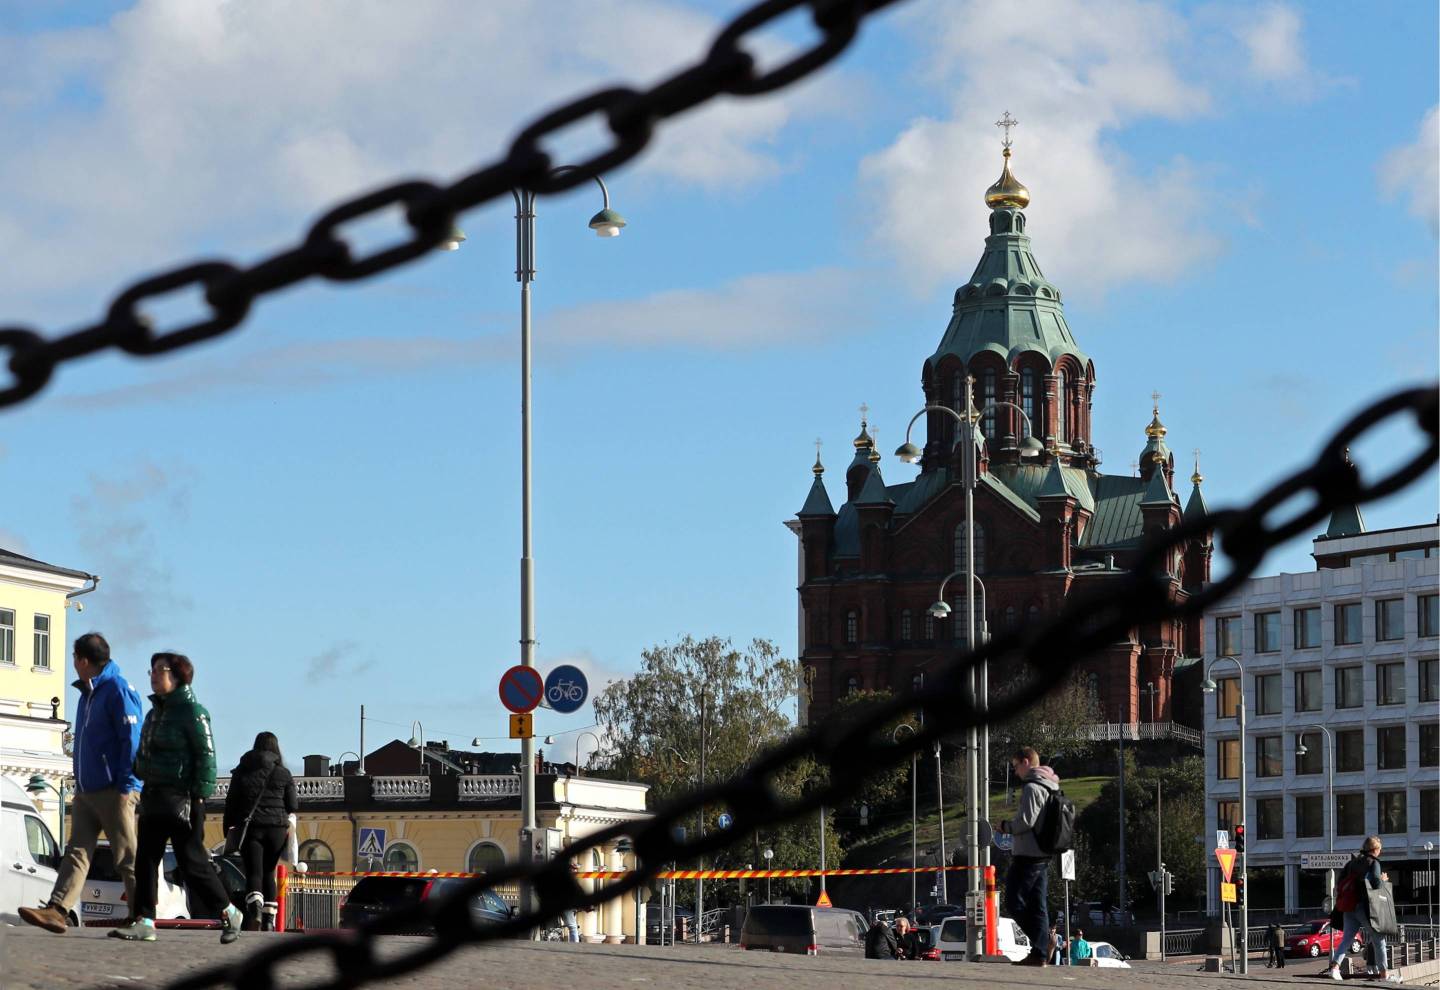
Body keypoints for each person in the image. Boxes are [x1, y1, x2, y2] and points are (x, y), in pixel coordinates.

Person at [112, 653, 242, 943]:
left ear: (179, 675)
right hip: (154, 796)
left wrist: (199, 796)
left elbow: (206, 755)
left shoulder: (193, 711)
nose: (154, 675)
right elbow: (144, 753)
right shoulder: (154, 714)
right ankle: (145, 920)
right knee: (146, 860)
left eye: (161, 669)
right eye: (152, 670)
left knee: (192, 862)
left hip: (184, 799)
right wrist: (137, 766)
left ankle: (229, 911)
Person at [19, 634, 145, 934]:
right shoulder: (88, 693)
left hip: (116, 789)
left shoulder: (117, 689)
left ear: (83, 660)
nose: (73, 665)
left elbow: (133, 740)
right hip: (87, 790)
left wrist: (128, 784)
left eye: (74, 658)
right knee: (77, 851)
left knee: (125, 855)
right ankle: (58, 909)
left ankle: (142, 916)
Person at [224, 732, 298, 931]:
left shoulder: (242, 770)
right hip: (277, 830)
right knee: (269, 872)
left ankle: (255, 907)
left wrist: (228, 830)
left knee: (254, 872)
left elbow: (231, 802)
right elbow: (293, 804)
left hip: (251, 828)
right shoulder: (283, 773)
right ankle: (268, 921)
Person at [998, 746, 1061, 966]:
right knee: (1038, 905)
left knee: (1013, 902)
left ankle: (1042, 942)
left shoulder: (1033, 787)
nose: (1015, 772)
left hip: (1028, 854)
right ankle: (1039, 955)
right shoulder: (1049, 785)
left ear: (1026, 762)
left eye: (1016, 766)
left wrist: (1005, 826)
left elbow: (1026, 821)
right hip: (1043, 854)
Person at [1323, 836, 1396, 983]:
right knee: (1379, 939)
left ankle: (1335, 968)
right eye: (1380, 849)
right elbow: (1375, 883)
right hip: (1365, 907)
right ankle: (1384, 975)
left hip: (1348, 906)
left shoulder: (1352, 863)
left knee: (1347, 938)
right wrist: (1383, 880)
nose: (1380, 851)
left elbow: (1340, 881)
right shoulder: (1374, 862)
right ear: (1375, 850)